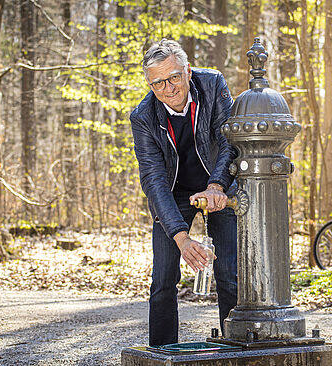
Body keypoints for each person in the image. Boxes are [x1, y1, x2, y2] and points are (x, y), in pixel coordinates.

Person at [129, 39, 238, 346]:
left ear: (188, 71)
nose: (168, 87)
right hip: (173, 193)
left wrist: (217, 185)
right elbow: (153, 179)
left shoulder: (213, 84)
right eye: (158, 82)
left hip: (219, 184)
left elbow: (229, 140)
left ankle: (237, 347)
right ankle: (163, 351)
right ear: (150, 84)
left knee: (229, 273)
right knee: (163, 278)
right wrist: (181, 237)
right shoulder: (143, 116)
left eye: (174, 76)